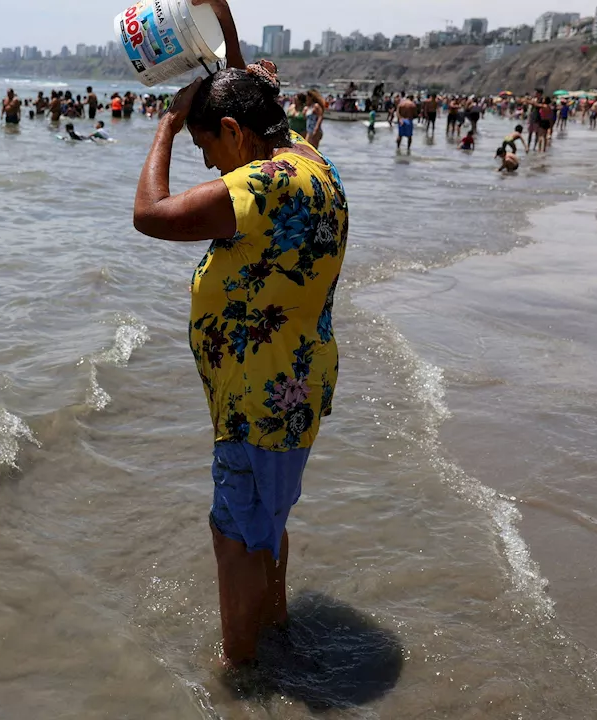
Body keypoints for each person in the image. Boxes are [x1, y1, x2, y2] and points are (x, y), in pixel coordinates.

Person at [134, 0, 348, 670]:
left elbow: (151, 214)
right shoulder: (304, 160)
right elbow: (245, 93)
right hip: (297, 386)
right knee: (268, 523)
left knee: (232, 534)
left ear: (232, 132)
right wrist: (224, 27)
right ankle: (275, 624)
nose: (209, 163)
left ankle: (241, 672)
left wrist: (168, 126)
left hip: (255, 400)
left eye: (207, 146)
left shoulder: (260, 185)